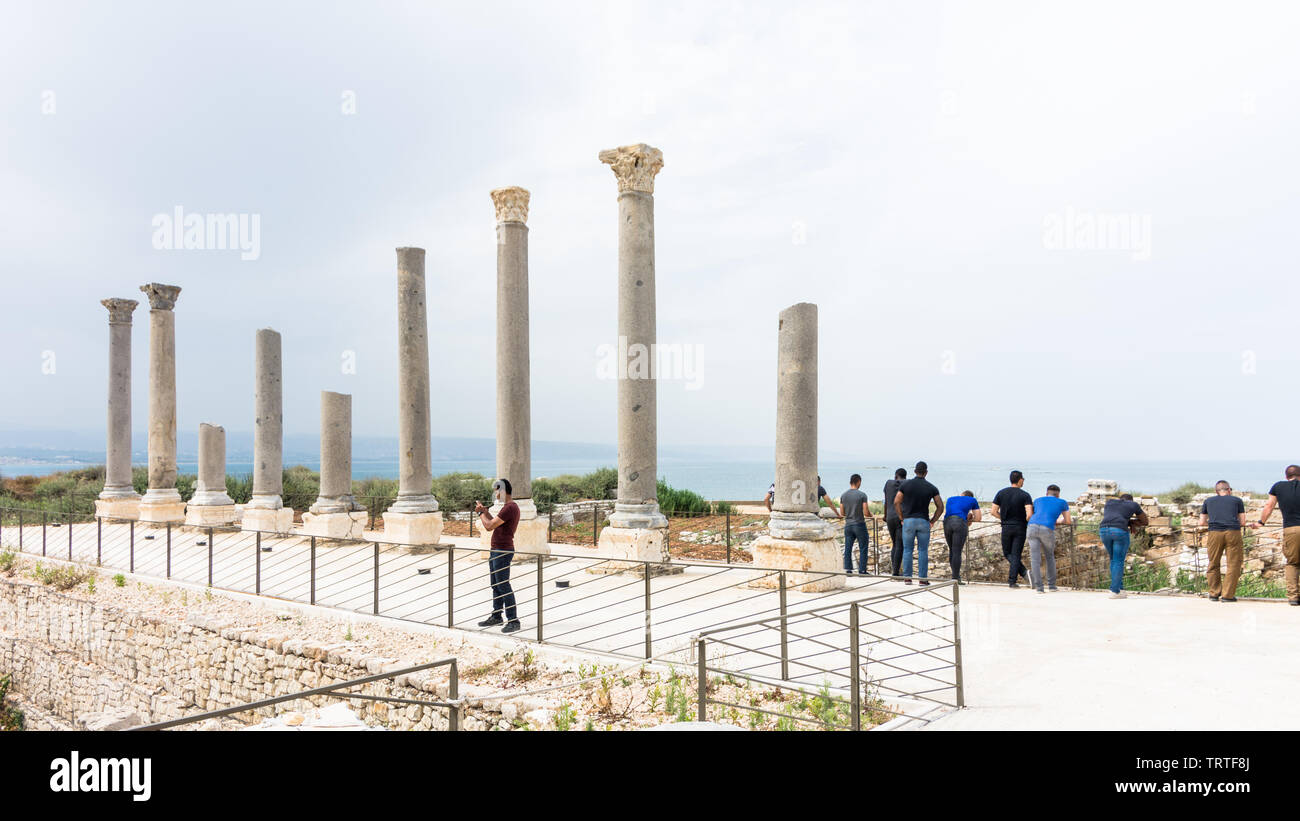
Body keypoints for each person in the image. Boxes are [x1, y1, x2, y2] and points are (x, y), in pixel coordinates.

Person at [475, 478, 522, 633]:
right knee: (496, 585)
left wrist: (481, 512)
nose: (495, 494)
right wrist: (486, 513)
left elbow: (488, 526)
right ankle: (497, 615)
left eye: (496, 491)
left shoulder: (510, 508)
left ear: (502, 491)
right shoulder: (507, 507)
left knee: (503, 585)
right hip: (496, 550)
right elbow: (492, 523)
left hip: (502, 551)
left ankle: (513, 620)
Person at [1252, 465, 1300, 606]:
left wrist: (1261, 522)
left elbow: (1269, 505)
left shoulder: (1278, 486)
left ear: (1286, 476)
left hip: (1291, 529)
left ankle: (1293, 597)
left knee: (1292, 563)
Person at [894, 461, 943, 585]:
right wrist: (932, 521)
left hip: (908, 521)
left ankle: (907, 578)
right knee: (922, 550)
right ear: (926, 472)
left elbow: (896, 502)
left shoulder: (906, 485)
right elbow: (940, 507)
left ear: (915, 471)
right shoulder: (932, 487)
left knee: (907, 550)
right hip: (923, 521)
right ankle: (922, 579)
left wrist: (901, 518)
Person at [1199, 480, 1246, 602]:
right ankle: (1227, 595)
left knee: (1213, 562)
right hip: (1233, 532)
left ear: (1216, 491)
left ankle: (1214, 593)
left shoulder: (1208, 501)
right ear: (1229, 490)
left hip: (1214, 532)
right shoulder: (1237, 501)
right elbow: (1242, 522)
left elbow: (1202, 522)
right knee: (1234, 563)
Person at [1098, 493, 1148, 599]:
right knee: (1118, 560)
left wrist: (1128, 521)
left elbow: (1114, 516)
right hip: (1119, 531)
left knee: (1113, 560)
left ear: (1120, 499)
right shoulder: (1133, 504)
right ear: (1130, 500)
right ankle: (1114, 591)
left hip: (1103, 530)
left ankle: (1119, 589)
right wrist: (1131, 522)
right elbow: (1145, 521)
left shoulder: (1109, 502)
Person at [991, 470, 1034, 588]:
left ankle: (1018, 577)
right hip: (1020, 527)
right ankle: (1016, 579)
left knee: (1007, 553)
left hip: (1006, 527)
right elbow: (1029, 514)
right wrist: (1024, 520)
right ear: (1020, 480)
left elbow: (993, 511)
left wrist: (1003, 519)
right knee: (1015, 554)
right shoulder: (1025, 495)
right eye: (1023, 479)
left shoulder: (1001, 493)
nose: (1023, 481)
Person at [1026, 484, 1072, 593]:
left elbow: (1032, 515)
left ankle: (1039, 588)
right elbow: (1068, 521)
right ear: (1058, 495)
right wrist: (1058, 521)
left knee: (1035, 559)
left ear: (1047, 493)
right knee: (1049, 556)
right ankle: (1051, 586)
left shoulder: (1037, 500)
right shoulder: (1062, 502)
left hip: (1031, 527)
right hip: (1047, 528)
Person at [942, 490, 981, 582]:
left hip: (947, 522)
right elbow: (978, 518)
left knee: (952, 550)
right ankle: (956, 578)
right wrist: (969, 519)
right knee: (957, 551)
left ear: (962, 495)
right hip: (959, 523)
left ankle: (955, 576)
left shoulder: (950, 499)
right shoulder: (972, 500)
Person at [840, 474, 872, 575]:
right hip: (859, 524)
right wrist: (872, 516)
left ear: (850, 482)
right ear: (858, 481)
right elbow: (866, 512)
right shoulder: (862, 495)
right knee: (863, 547)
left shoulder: (843, 495)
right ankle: (862, 570)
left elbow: (842, 513)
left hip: (848, 525)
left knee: (848, 547)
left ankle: (848, 570)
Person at [767, 476, 841, 516]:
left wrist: (771, 511)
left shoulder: (775, 485)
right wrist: (837, 514)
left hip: (780, 513)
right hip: (811, 514)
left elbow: (766, 499)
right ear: (818, 481)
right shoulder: (819, 488)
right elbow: (829, 502)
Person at [883, 468, 907, 577]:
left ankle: (895, 570)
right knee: (899, 545)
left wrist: (885, 515)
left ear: (895, 476)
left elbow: (886, 502)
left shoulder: (888, 484)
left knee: (895, 544)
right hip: (900, 517)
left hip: (889, 517)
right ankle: (896, 572)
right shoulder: (907, 484)